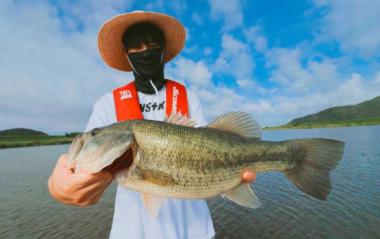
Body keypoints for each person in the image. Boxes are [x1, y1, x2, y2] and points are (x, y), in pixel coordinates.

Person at [48, 11, 256, 239]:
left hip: (195, 231)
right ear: (126, 54)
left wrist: (233, 182)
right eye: (135, 46)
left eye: (152, 44)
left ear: (163, 50)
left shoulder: (188, 97)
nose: (144, 50)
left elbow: (210, 150)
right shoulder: (108, 104)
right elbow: (88, 167)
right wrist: (58, 186)